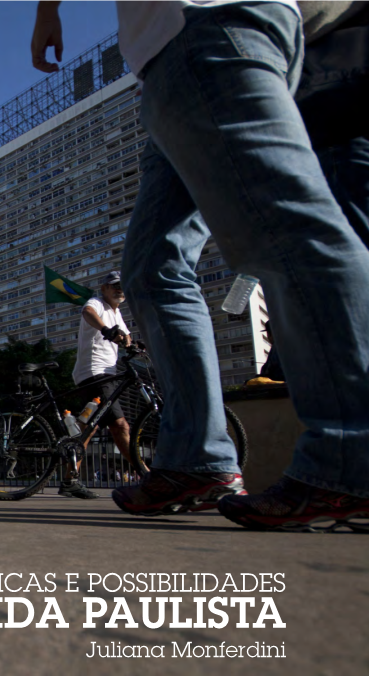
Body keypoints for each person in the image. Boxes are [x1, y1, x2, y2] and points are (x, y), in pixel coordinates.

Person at [33, 2, 369, 527]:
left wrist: (46, 9)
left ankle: (352, 454)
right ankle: (198, 459)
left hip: (202, 29)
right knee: (151, 269)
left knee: (287, 228)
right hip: (171, 62)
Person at [62, 271, 133, 500]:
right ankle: (147, 474)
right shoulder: (97, 303)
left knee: (87, 428)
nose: (119, 290)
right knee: (120, 425)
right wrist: (105, 330)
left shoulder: (116, 312)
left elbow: (126, 336)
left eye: (122, 286)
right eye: (114, 286)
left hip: (104, 374)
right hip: (95, 373)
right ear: (104, 289)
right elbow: (87, 312)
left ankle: (69, 479)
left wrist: (133, 343)